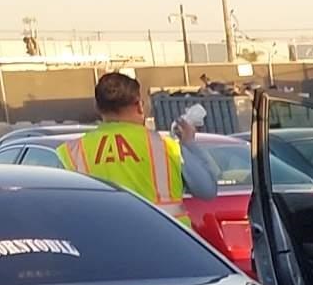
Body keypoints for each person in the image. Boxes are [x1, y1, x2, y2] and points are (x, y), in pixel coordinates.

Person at [59, 72, 216, 225]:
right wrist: (188, 143)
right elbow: (207, 189)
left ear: (98, 108)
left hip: (104, 246)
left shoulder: (71, 152)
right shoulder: (167, 146)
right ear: (139, 105)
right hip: (166, 243)